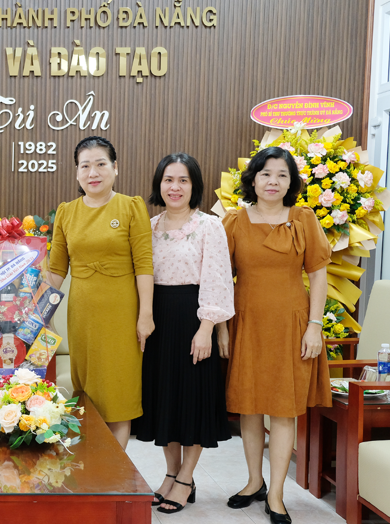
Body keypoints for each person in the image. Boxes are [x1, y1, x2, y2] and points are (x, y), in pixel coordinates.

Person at [218, 146, 331, 524]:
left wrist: (315, 325)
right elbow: (220, 279)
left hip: (291, 326)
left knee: (283, 408)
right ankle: (254, 482)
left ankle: (277, 494)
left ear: (291, 182)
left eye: (282, 175)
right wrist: (221, 328)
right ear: (252, 179)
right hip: (247, 323)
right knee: (249, 405)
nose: (273, 181)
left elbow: (318, 275)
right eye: (266, 173)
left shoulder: (304, 219)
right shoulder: (234, 221)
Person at [134, 153, 234, 514]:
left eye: (183, 180)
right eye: (168, 180)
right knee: (166, 401)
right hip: (157, 319)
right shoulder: (149, 226)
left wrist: (207, 328)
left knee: (192, 401)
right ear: (159, 184)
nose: (174, 187)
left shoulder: (209, 226)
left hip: (193, 318)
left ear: (195, 186)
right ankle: (171, 474)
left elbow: (218, 278)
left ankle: (186, 478)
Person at [48, 136, 154, 449]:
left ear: (115, 167)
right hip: (82, 316)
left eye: (100, 164)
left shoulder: (131, 207)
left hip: (122, 316)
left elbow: (144, 265)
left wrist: (146, 315)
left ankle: (113, 471)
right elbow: (56, 270)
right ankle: (93, 466)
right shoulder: (67, 212)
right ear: (77, 172)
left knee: (118, 395)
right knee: (88, 395)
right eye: (85, 166)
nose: (93, 172)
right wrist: (39, 310)